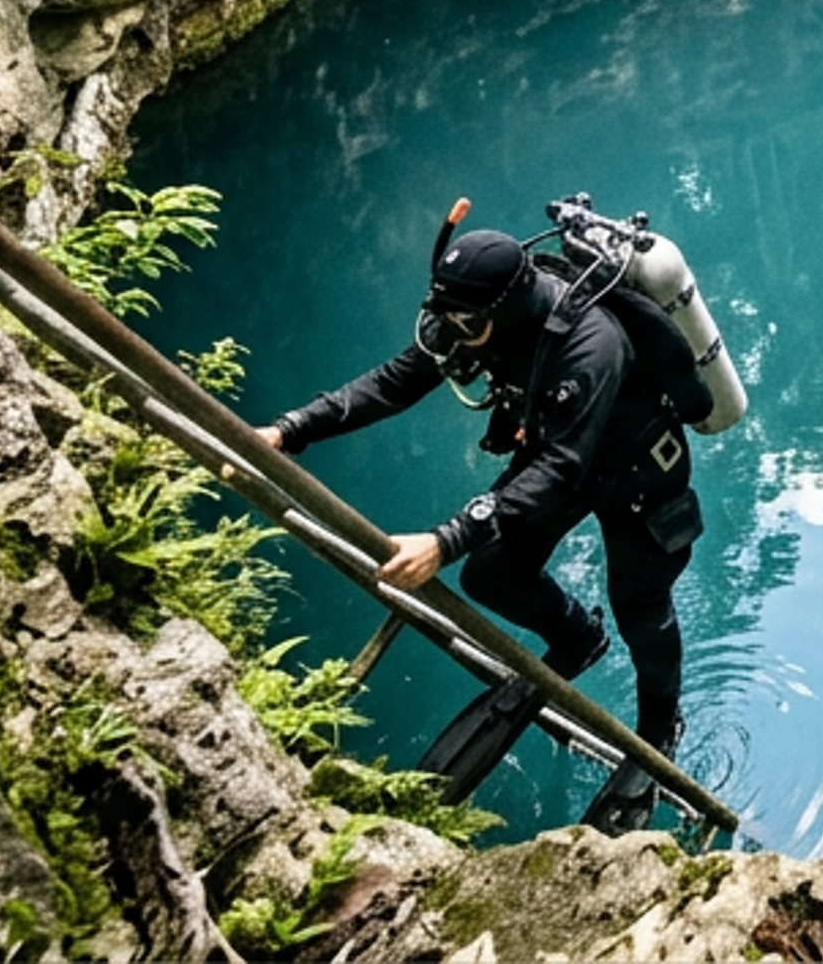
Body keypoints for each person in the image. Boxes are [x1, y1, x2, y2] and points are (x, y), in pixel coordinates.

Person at [252, 214, 709, 764]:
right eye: (447, 319)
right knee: (492, 573)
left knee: (640, 603)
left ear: (507, 305)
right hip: (557, 454)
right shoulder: (470, 315)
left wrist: (444, 539)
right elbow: (395, 381)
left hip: (636, 473)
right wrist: (289, 428)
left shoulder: (592, 344)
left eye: (466, 323)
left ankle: (658, 727)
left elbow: (561, 467)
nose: (454, 333)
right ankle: (576, 637)